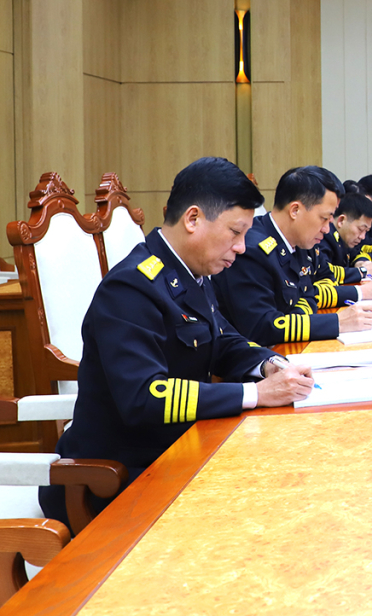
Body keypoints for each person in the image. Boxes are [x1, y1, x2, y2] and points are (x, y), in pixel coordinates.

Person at [39, 157, 315, 527]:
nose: (242, 247)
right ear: (193, 219)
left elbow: (222, 340)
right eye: (235, 233)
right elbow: (144, 397)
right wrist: (256, 394)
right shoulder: (131, 287)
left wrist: (271, 365)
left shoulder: (191, 273)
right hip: (113, 480)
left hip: (175, 453)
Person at [214, 166, 372, 344]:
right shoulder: (252, 250)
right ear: (295, 210)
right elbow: (261, 327)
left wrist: (295, 315)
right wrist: (337, 322)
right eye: (324, 218)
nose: (327, 229)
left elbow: (311, 294)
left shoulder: (301, 242)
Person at [316, 191, 372, 281]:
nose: (362, 237)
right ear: (341, 221)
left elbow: (356, 253)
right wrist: (363, 271)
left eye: (366, 231)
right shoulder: (323, 237)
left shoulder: (344, 238)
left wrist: (362, 263)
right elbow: (325, 272)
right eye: (361, 229)